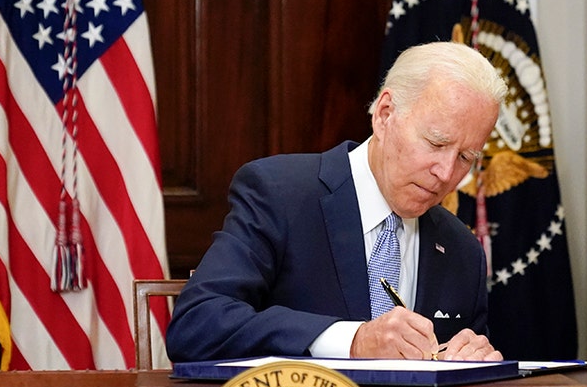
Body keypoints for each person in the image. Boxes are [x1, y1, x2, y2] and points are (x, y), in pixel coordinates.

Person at [167, 41, 506, 363]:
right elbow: (197, 325)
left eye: (465, 157)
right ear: (385, 114)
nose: (446, 173)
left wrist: (472, 360)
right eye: (435, 143)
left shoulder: (461, 249)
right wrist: (352, 341)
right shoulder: (280, 195)